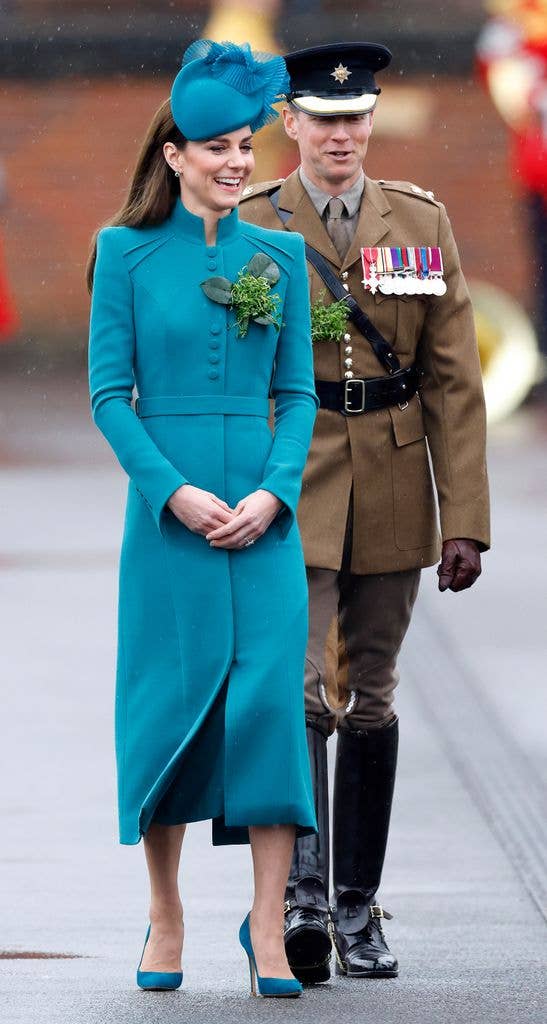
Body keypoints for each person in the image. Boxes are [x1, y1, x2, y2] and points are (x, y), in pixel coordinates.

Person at [240, 41, 490, 982]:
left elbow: (454, 380)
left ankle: (357, 907)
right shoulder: (254, 222)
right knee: (303, 689)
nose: (339, 135)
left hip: (391, 474)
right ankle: (301, 897)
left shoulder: (417, 221)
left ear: (368, 123)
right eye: (320, 118)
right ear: (291, 125)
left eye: (354, 119)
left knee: (371, 695)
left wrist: (462, 515)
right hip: (290, 477)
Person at [86, 39, 318, 998]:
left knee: (268, 711)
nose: (234, 162)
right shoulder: (123, 252)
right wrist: (171, 491)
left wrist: (275, 492)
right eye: (214, 147)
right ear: (173, 154)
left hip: (264, 517)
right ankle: (167, 912)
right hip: (168, 518)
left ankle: (266, 926)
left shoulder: (283, 256)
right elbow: (108, 394)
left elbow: (299, 394)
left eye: (245, 147)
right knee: (166, 710)